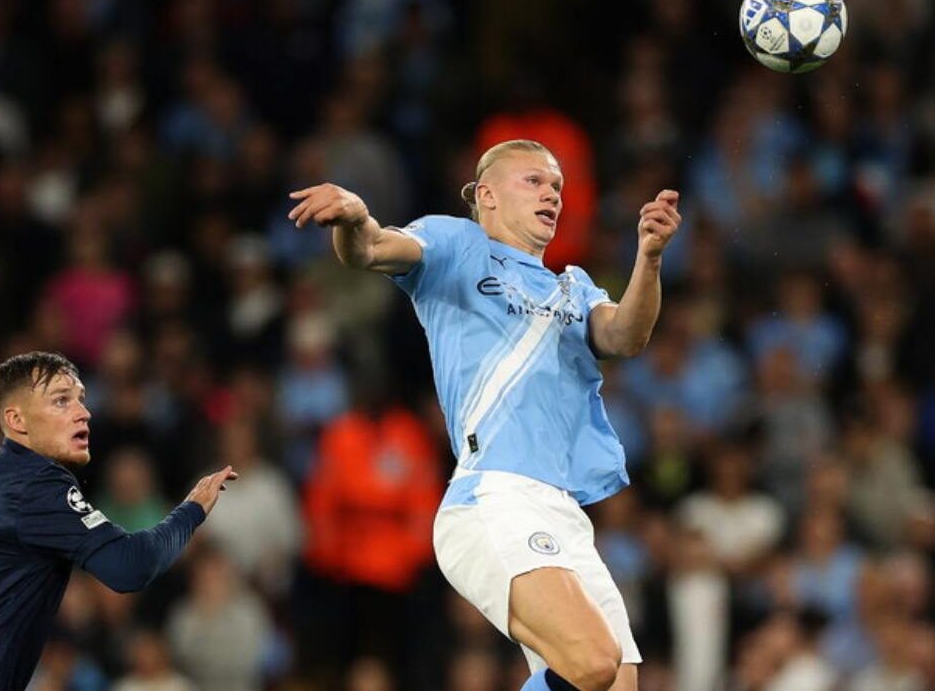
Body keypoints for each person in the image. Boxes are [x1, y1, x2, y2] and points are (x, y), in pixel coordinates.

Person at [288, 139, 680, 691]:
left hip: (561, 510)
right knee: (592, 662)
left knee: (617, 682)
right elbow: (371, 249)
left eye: (558, 188)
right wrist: (355, 218)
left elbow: (625, 336)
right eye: (535, 182)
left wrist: (651, 257)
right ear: (487, 195)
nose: (553, 195)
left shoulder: (575, 287)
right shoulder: (457, 244)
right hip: (493, 498)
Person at [0, 351, 236, 689]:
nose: (84, 412)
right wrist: (192, 509)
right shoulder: (34, 486)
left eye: (81, 399)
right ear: (17, 420)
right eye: (61, 401)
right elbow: (130, 567)